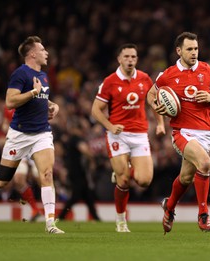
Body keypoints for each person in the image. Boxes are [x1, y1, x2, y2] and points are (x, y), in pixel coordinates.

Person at [147, 32, 210, 233]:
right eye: (189, 49)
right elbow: (151, 94)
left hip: (205, 133)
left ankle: (169, 207)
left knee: (185, 178)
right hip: (182, 132)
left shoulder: (208, 71)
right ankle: (203, 214)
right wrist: (156, 106)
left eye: (196, 49)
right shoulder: (168, 74)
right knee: (205, 162)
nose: (194, 53)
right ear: (179, 51)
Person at [0, 36, 64, 233]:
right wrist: (32, 92)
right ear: (32, 54)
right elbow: (10, 102)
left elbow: (42, 99)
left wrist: (52, 105)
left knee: (46, 174)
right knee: (3, 181)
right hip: (19, 134)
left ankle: (50, 224)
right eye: (43, 49)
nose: (46, 53)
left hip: (42, 134)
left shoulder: (44, 76)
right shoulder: (20, 74)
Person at [91, 43, 165, 232]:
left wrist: (161, 123)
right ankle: (121, 220)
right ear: (119, 59)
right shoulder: (110, 81)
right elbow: (95, 110)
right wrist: (110, 126)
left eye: (133, 57)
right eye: (126, 57)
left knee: (144, 180)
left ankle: (123, 170)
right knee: (123, 182)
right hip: (118, 135)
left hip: (140, 135)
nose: (130, 60)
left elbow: (153, 102)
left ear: (137, 59)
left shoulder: (144, 79)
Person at [58, 117, 101, 222]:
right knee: (76, 196)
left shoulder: (71, 139)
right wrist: (92, 158)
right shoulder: (76, 139)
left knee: (88, 196)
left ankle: (96, 218)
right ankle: (61, 217)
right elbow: (84, 149)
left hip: (77, 172)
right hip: (77, 172)